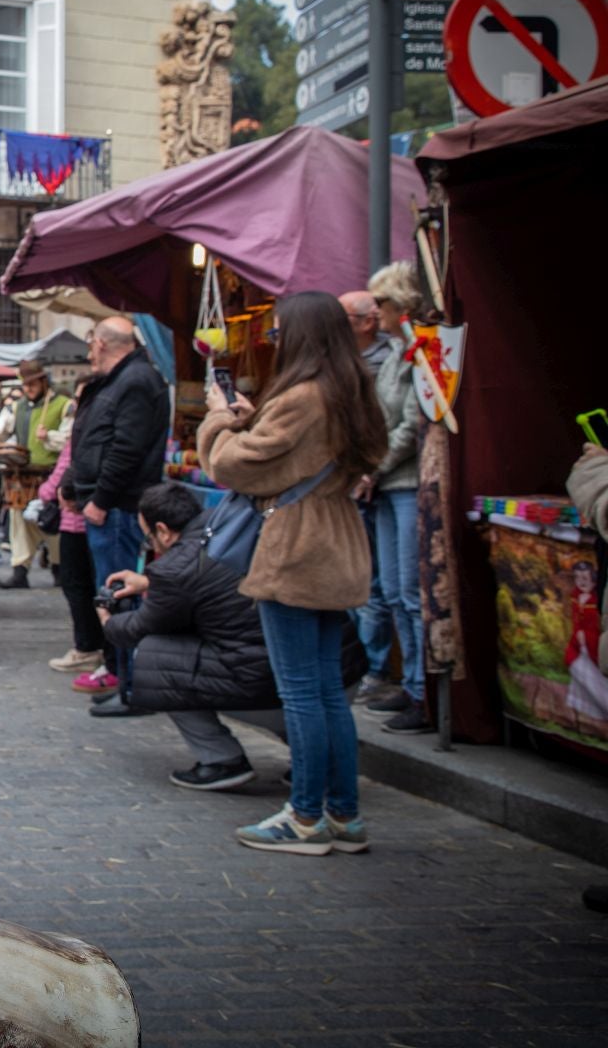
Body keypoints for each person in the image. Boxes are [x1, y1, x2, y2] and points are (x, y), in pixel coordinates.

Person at [202, 291, 386, 855]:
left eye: (278, 334)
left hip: (297, 545)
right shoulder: (351, 390)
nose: (274, 342)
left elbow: (234, 466)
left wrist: (218, 417)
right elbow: (310, 456)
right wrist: (253, 421)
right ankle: (343, 814)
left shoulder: (304, 396)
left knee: (302, 692)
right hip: (337, 536)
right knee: (328, 690)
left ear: (303, 336)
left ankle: (305, 817)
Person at [99, 483, 280, 788]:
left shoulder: (176, 568)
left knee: (154, 658)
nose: (152, 547)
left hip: (271, 688)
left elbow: (138, 628)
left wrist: (106, 619)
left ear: (163, 531)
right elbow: (207, 583)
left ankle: (221, 759)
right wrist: (148, 583)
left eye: (149, 538)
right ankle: (312, 760)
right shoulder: (226, 529)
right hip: (336, 674)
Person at [66, 317, 169, 650]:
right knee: (111, 589)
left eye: (90, 343)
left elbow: (127, 449)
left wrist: (101, 499)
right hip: (110, 505)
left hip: (117, 508)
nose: (89, 351)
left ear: (100, 343)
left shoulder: (135, 380)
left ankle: (124, 675)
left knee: (116, 590)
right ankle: (118, 671)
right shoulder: (121, 379)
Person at [357, 263, 430, 734]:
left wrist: (375, 467)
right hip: (385, 483)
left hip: (401, 482)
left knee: (407, 590)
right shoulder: (399, 352)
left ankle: (423, 688)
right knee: (390, 589)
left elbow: (409, 424)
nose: (375, 312)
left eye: (380, 303)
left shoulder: (415, 352)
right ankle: (412, 683)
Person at [338, 289, 398, 701]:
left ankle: (378, 670)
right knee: (364, 580)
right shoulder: (343, 361)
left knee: (386, 585)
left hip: (382, 479)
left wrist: (372, 468)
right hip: (354, 481)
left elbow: (395, 423)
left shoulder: (391, 360)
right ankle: (359, 665)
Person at [39, 378, 112, 682]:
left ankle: (89, 648)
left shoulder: (90, 431)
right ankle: (95, 647)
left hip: (81, 517)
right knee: (82, 585)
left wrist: (47, 491)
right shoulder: (88, 428)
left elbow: (67, 466)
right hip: (81, 517)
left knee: (79, 585)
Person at [0, 360, 70, 590]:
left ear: (43, 380)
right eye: (25, 383)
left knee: (53, 522)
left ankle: (60, 569)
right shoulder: (17, 407)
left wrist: (49, 436)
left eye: (33, 382)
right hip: (22, 474)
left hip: (52, 474)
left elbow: (70, 439)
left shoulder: (64, 404)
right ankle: (20, 571)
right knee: (18, 524)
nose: (28, 387)